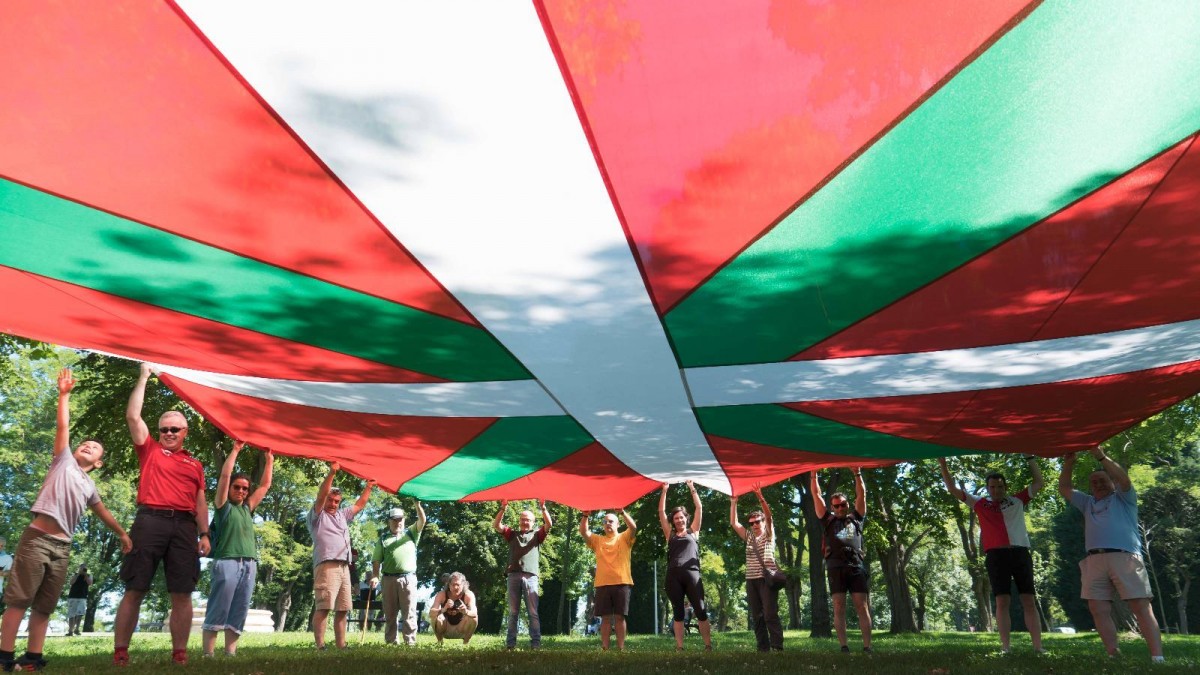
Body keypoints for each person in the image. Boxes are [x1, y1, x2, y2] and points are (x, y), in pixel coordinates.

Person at [1, 368, 131, 672]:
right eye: (84, 443)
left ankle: (33, 656)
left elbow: (104, 513)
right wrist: (64, 395)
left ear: (98, 463)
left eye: (95, 447)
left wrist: (123, 534)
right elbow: (63, 426)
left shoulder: (89, 486)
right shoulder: (63, 461)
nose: (87, 445)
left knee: (45, 605)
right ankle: (4, 654)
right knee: (20, 599)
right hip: (36, 540)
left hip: (62, 548)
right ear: (74, 449)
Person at [115, 363, 208, 666]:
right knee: (135, 586)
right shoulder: (150, 450)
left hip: (184, 526)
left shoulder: (195, 465)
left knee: (182, 591)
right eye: (164, 429)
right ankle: (120, 652)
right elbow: (132, 416)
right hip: (149, 521)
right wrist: (143, 376)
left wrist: (205, 533)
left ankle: (180, 653)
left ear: (185, 432)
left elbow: (201, 501)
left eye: (174, 429)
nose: (168, 433)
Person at [1058, 446, 1164, 663]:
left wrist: (1101, 456)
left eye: (1102, 480)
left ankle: (1157, 657)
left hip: (1125, 557)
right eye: (1094, 481)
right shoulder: (1087, 503)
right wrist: (1069, 462)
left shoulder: (1124, 498)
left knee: (1140, 606)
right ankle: (1113, 654)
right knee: (1097, 608)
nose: (1098, 484)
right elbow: (1064, 488)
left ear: (1112, 482)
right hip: (1094, 560)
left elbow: (1124, 479)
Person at [938, 456, 1044, 654]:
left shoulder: (1018, 500)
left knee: (1028, 600)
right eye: (992, 487)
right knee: (1002, 601)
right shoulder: (979, 504)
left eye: (1000, 487)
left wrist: (1030, 458)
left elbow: (1039, 483)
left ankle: (1038, 647)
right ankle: (1006, 648)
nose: (996, 490)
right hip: (996, 556)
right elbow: (953, 490)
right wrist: (943, 465)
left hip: (1020, 553)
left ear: (1005, 487)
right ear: (987, 488)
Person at [202, 440, 274, 658]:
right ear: (230, 489)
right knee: (219, 606)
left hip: (249, 563)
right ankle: (208, 653)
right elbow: (224, 477)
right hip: (227, 561)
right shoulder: (223, 507)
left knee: (240, 607)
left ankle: (230, 652)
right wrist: (235, 450)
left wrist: (269, 460)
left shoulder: (247, 508)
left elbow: (264, 486)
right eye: (237, 487)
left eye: (245, 488)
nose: (241, 491)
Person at [308, 461, 375, 650]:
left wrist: (368, 486)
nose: (333, 504)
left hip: (345, 566)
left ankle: (341, 645)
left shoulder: (342, 515)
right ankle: (320, 646)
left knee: (344, 608)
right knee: (324, 606)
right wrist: (332, 473)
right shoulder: (317, 515)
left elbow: (360, 505)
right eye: (330, 500)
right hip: (326, 564)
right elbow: (321, 494)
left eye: (337, 501)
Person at [811, 469, 872, 653]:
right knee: (839, 606)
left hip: (856, 567)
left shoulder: (857, 518)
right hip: (835, 567)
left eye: (842, 505)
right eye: (836, 506)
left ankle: (867, 647)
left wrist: (857, 473)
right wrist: (813, 474)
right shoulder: (826, 520)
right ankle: (844, 646)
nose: (839, 508)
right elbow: (816, 494)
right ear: (831, 507)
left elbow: (862, 493)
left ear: (847, 504)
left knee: (862, 606)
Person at [657, 481, 712, 651]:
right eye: (676, 518)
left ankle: (708, 646)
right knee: (678, 613)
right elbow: (661, 511)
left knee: (701, 610)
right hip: (673, 576)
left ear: (686, 518)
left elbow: (699, 508)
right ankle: (679, 647)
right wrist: (664, 491)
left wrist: (692, 487)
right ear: (672, 521)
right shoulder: (670, 534)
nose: (679, 520)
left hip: (692, 575)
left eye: (681, 517)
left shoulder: (693, 531)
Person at [493, 499, 552, 650]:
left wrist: (543, 509)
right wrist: (502, 509)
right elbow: (496, 526)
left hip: (531, 577)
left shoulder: (537, 535)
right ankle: (510, 645)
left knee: (533, 612)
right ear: (519, 521)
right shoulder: (512, 534)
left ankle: (536, 644)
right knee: (513, 612)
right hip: (513, 576)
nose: (525, 522)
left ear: (533, 522)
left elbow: (549, 525)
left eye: (528, 520)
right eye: (523, 519)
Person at [730, 484, 783, 652]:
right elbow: (733, 523)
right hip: (751, 580)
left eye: (757, 521)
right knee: (757, 616)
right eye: (751, 523)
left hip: (766, 579)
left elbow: (769, 517)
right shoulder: (749, 537)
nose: (754, 525)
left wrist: (761, 497)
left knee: (769, 614)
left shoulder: (768, 534)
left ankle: (777, 646)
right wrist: (733, 502)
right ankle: (763, 647)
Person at [579, 508, 637, 651]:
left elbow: (634, 527)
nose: (607, 524)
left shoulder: (624, 537)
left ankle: (621, 648)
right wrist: (585, 515)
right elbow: (583, 532)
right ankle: (605, 648)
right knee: (605, 619)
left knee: (619, 618)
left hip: (622, 583)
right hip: (602, 584)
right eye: (604, 522)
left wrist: (622, 512)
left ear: (618, 524)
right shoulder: (598, 540)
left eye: (611, 521)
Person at [370, 500, 426, 646]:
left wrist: (417, 505)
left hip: (408, 579)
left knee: (409, 613)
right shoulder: (383, 539)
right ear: (389, 521)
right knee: (390, 614)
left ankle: (410, 642)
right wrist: (375, 575)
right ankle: (391, 642)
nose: (398, 522)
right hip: (388, 579)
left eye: (400, 519)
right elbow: (376, 560)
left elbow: (422, 520)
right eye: (394, 520)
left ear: (404, 520)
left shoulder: (411, 533)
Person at [429, 572, 478, 645]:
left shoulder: (468, 595)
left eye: (458, 585)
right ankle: (440, 642)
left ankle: (466, 643)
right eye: (453, 584)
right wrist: (444, 609)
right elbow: (431, 613)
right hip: (445, 629)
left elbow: (474, 614)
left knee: (474, 618)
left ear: (463, 585)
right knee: (436, 616)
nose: (455, 587)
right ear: (449, 585)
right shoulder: (442, 594)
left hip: (461, 629)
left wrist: (466, 611)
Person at [66, 564, 92, 636]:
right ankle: (70, 630)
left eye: (85, 568)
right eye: (82, 568)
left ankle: (77, 629)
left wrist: (85, 575)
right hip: (73, 597)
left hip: (82, 597)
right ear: (79, 568)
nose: (83, 570)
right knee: (71, 614)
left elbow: (90, 583)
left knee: (80, 614)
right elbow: (71, 582)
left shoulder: (89, 575)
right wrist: (78, 574)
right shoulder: (75, 575)